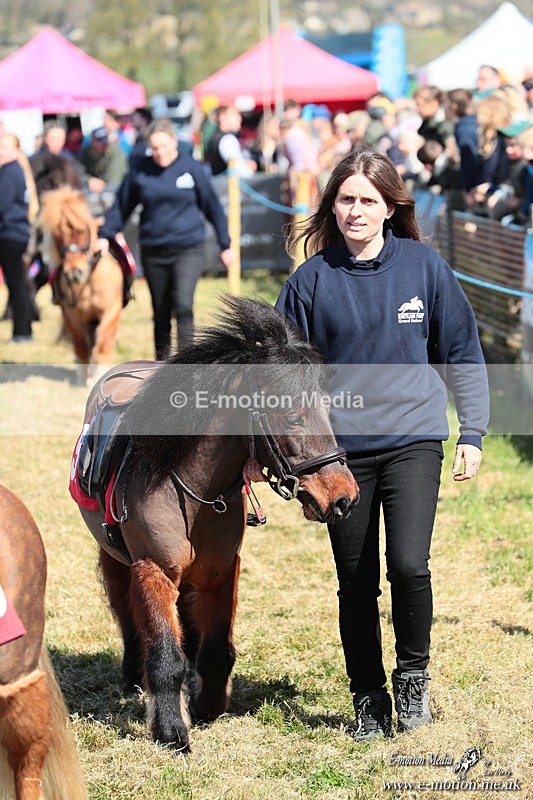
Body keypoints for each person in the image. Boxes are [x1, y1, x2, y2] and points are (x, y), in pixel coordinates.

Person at [244, 149, 489, 741]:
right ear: (332, 206)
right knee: (355, 580)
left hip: (413, 439)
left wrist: (473, 431)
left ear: (390, 207)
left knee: (408, 565)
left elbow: (461, 348)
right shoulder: (309, 281)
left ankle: (412, 682)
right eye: (346, 199)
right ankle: (368, 697)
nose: (356, 210)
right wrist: (255, 449)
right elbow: (274, 373)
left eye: (368, 200)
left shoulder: (425, 268)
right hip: (339, 456)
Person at [97, 118, 234, 359]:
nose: (159, 152)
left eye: (164, 146)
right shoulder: (140, 169)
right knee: (160, 311)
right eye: (154, 148)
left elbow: (212, 206)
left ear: (174, 142)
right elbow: (121, 206)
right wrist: (104, 235)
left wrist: (226, 244)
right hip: (154, 250)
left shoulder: (191, 167)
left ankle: (186, 363)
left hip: (188, 248)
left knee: (183, 305)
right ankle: (162, 364)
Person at [0, 133, 32, 342]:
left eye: (4, 147)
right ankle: (23, 330)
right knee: (17, 283)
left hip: (10, 235)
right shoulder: (12, 170)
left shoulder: (10, 171)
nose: (0, 151)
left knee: (17, 284)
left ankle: (22, 331)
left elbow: (2, 204)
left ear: (16, 151)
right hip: (13, 234)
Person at [204, 105, 257, 177]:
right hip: (229, 183)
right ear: (222, 117)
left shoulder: (214, 137)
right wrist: (249, 167)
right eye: (235, 115)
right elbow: (241, 171)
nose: (240, 118)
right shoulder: (228, 139)